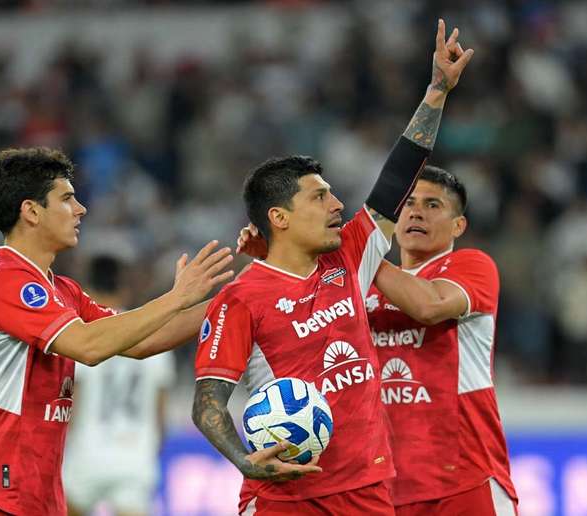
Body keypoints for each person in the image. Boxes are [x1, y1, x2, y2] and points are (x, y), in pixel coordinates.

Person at [192, 20, 473, 515]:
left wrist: (436, 91)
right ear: (277, 217)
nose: (337, 204)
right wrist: (246, 460)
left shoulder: (349, 254)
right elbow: (207, 405)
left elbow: (396, 178)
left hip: (368, 488)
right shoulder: (241, 297)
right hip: (285, 497)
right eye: (319, 197)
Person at [0, 147, 233, 516]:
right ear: (31, 211)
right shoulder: (2, 280)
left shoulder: (63, 291)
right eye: (67, 199)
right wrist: (176, 297)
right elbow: (87, 346)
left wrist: (238, 298)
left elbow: (144, 341)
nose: (80, 209)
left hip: (39, 492)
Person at [365, 165, 517, 515]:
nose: (416, 211)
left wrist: (362, 251)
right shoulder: (365, 285)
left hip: (464, 481)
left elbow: (429, 306)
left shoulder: (472, 266)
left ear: (458, 226)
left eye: (432, 205)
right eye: (408, 204)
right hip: (386, 489)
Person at [63, 255, 175, 516]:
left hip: (88, 451)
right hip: (135, 454)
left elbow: (72, 404)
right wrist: (151, 448)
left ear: (87, 290)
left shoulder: (84, 335)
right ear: (124, 288)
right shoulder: (151, 336)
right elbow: (160, 414)